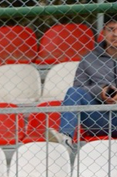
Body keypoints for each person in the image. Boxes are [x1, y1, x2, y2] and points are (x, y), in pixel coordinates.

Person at [47, 18, 117, 147]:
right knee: (73, 92)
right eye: (111, 29)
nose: (115, 34)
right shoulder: (89, 58)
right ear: (103, 32)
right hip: (100, 118)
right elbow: (79, 88)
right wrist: (100, 91)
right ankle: (65, 139)